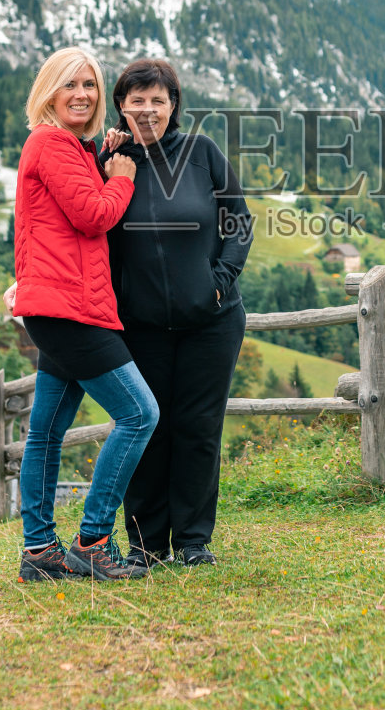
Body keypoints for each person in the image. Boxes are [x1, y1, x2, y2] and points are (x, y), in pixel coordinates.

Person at [10, 46, 159, 582]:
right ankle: (92, 540)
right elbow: (93, 215)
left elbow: (54, 218)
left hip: (60, 304)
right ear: (48, 91)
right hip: (70, 310)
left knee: (46, 432)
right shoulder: (50, 142)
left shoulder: (66, 146)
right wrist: (122, 177)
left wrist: (101, 156)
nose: (81, 94)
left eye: (90, 84)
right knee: (140, 414)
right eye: (69, 84)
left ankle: (38, 550)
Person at [101, 58, 253, 567]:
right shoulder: (109, 162)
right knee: (146, 428)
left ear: (173, 106)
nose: (147, 109)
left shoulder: (201, 153)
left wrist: (220, 282)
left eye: (157, 100)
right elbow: (84, 227)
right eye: (137, 100)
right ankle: (146, 547)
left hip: (211, 322)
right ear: (121, 106)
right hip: (139, 326)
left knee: (198, 428)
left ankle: (192, 541)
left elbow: (239, 221)